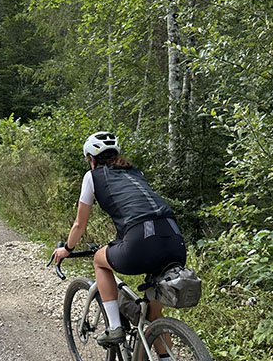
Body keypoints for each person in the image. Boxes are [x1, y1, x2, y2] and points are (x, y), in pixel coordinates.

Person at [53, 131, 186, 349]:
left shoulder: (92, 176)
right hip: (174, 240)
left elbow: (79, 224)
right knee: (155, 314)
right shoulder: (136, 172)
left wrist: (67, 249)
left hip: (140, 242)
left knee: (99, 259)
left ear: (91, 159)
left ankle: (115, 327)